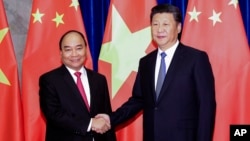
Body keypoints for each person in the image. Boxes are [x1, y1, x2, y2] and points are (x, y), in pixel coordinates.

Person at [97, 3, 216, 141]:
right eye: (155, 24)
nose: (160, 29)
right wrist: (110, 119)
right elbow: (138, 100)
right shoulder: (146, 62)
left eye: (166, 24)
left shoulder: (196, 59)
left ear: (178, 28)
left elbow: (206, 106)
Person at [39, 30, 116, 141]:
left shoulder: (99, 80)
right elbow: (54, 115)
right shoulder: (49, 80)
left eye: (79, 48)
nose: (74, 54)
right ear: (61, 53)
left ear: (86, 50)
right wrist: (90, 123)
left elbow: (106, 117)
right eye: (68, 50)